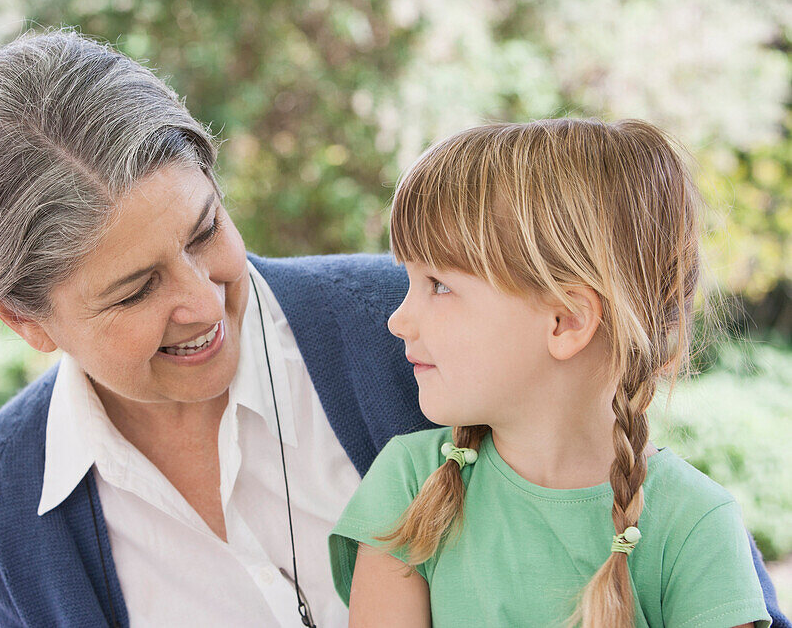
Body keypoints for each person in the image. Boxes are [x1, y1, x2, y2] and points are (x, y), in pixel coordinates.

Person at [0, 30, 787, 627]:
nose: (206, 301)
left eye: (206, 230)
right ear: (24, 320)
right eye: (136, 291)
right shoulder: (7, 499)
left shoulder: (413, 340)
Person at [329, 119, 781, 628]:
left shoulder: (695, 524)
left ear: (566, 320)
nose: (397, 319)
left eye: (437, 285)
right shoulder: (408, 487)